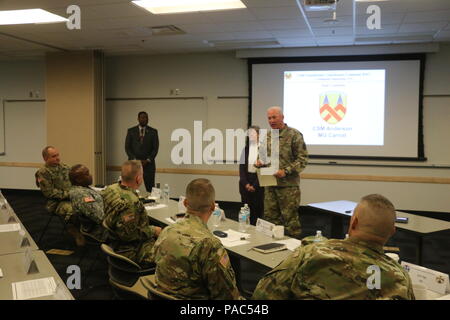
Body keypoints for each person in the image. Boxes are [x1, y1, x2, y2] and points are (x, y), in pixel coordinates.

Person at [252, 194, 415, 300]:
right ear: (392, 231)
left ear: (354, 222)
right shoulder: (401, 278)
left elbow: (263, 296)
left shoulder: (312, 253)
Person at [151, 178, 241, 300]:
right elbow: (227, 297)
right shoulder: (210, 245)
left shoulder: (167, 231)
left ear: (185, 203)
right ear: (214, 207)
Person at [257, 106, 308, 239]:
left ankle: (294, 253)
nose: (271, 120)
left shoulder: (294, 135)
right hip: (270, 185)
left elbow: (302, 160)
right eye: (269, 118)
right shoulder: (267, 136)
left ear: (282, 117)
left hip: (288, 187)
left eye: (274, 117)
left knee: (290, 221)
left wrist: (285, 171)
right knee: (270, 220)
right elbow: (261, 156)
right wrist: (259, 161)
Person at [103, 160, 161, 267]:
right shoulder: (131, 203)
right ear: (138, 179)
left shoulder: (110, 189)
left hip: (113, 242)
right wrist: (153, 231)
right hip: (132, 250)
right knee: (172, 254)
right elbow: (128, 236)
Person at [36, 146, 85, 246]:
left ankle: (86, 230)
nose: (57, 158)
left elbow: (75, 183)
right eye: (54, 156)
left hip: (72, 197)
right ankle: (74, 231)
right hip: (56, 202)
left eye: (58, 155)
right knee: (73, 209)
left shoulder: (65, 167)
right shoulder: (43, 173)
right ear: (46, 158)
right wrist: (69, 194)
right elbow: (49, 193)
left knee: (88, 204)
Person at [69, 164, 108, 242]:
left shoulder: (83, 188)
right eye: (87, 174)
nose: (90, 175)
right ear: (78, 179)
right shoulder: (82, 195)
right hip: (100, 231)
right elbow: (100, 217)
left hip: (101, 226)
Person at [125, 111, 159, 192]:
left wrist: (147, 160)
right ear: (138, 119)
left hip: (148, 165)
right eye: (142, 117)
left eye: (146, 117)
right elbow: (127, 147)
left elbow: (155, 148)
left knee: (150, 188)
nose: (144, 119)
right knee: (131, 187)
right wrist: (135, 159)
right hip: (134, 163)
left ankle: (152, 203)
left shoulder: (153, 132)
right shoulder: (131, 131)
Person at [239, 126, 264, 225]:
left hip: (258, 182)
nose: (251, 136)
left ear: (258, 135)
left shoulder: (264, 149)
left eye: (253, 133)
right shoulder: (245, 149)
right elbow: (241, 168)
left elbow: (264, 169)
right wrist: (246, 184)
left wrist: (254, 185)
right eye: (249, 134)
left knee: (257, 210)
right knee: (246, 209)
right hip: (245, 182)